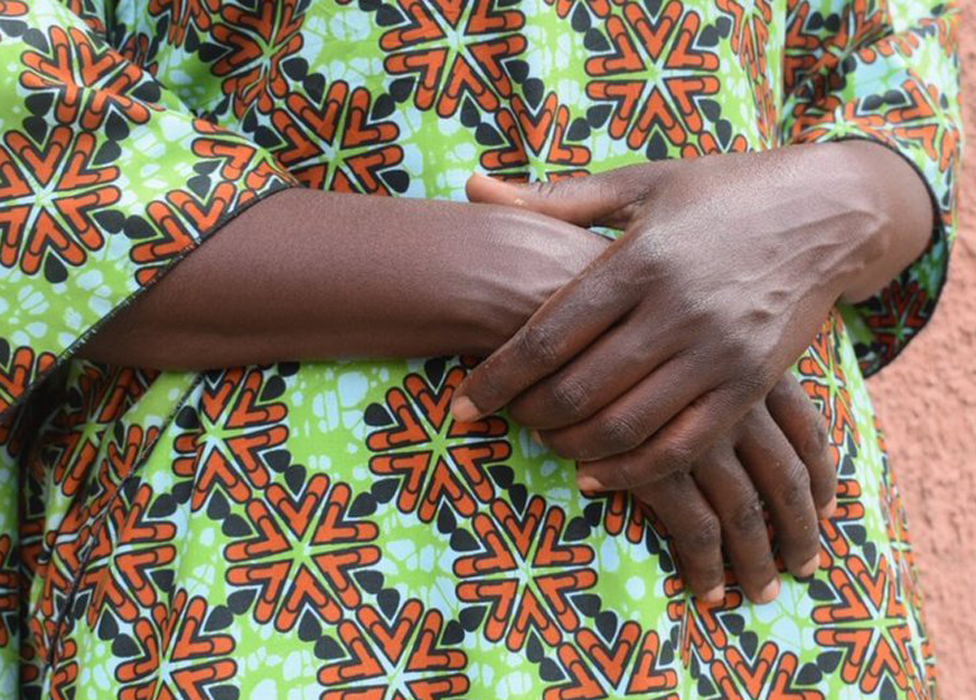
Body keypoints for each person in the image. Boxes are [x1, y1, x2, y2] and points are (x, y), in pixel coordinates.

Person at [0, 0, 959, 696]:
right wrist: (541, 281)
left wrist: (836, 206)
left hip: (767, 593)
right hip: (282, 576)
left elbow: (895, 82)